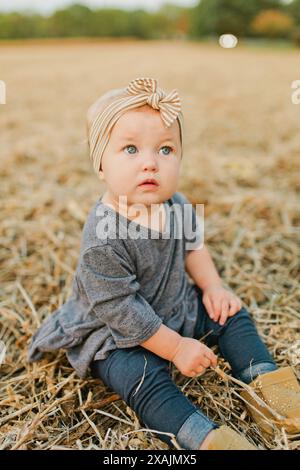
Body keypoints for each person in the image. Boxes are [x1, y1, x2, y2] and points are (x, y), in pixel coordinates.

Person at [27, 77, 300, 450]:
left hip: (175, 305)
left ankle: (269, 387)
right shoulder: (103, 237)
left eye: (166, 150)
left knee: (231, 314)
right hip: (116, 335)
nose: (151, 163)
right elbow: (120, 308)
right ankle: (202, 437)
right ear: (100, 164)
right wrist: (174, 349)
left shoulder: (177, 204)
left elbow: (193, 248)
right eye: (130, 149)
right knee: (142, 377)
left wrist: (213, 288)